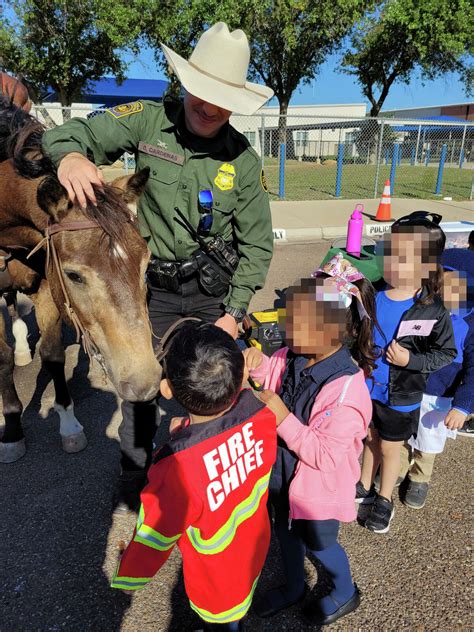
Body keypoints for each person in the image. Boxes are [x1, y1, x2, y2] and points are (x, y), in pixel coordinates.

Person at [41, 22, 275, 512]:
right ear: (185, 82)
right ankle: (136, 473)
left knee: (218, 385)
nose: (208, 107)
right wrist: (70, 159)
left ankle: (215, 478)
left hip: (213, 291)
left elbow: (256, 245)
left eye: (221, 99)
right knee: (142, 386)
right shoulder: (147, 120)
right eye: (201, 93)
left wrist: (234, 313)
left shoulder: (244, 161)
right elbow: (72, 133)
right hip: (150, 287)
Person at [111, 322, 277, 631]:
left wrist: (129, 573)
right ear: (239, 376)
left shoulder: (175, 470)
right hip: (252, 548)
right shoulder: (262, 415)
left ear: (167, 389)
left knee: (223, 624)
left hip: (216, 580)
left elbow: (154, 535)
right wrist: (193, 436)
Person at [244, 253, 377, 626]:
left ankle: (345, 590)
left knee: (320, 543)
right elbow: (273, 373)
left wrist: (282, 419)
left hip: (316, 490)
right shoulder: (294, 355)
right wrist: (255, 362)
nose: (291, 329)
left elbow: (327, 454)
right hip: (280, 475)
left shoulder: (346, 389)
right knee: (285, 535)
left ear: (339, 331)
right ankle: (294, 586)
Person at [356, 212, 457, 533]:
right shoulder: (373, 295)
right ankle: (363, 484)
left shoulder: (432, 309)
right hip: (367, 388)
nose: (392, 263)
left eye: (404, 258)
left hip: (402, 396)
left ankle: (384, 499)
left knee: (390, 447)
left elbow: (446, 353)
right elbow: (359, 332)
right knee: (369, 438)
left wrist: (410, 361)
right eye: (390, 253)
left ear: (427, 267)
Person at [397, 248, 474, 508]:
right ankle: (396, 466)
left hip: (440, 396)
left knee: (428, 440)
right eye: (437, 285)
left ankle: (420, 477)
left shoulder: (469, 324)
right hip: (409, 385)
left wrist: (463, 406)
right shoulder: (422, 308)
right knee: (400, 430)